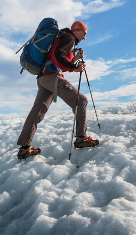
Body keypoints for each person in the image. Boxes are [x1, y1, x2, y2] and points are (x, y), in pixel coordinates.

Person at [17, 20, 99, 159]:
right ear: (77, 30)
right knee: (81, 101)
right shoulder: (69, 38)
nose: (85, 37)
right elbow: (57, 57)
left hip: (43, 78)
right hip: (52, 77)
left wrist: (75, 59)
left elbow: (57, 57)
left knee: (37, 111)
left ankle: (24, 148)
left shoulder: (62, 37)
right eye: (84, 34)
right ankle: (81, 138)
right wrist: (75, 68)